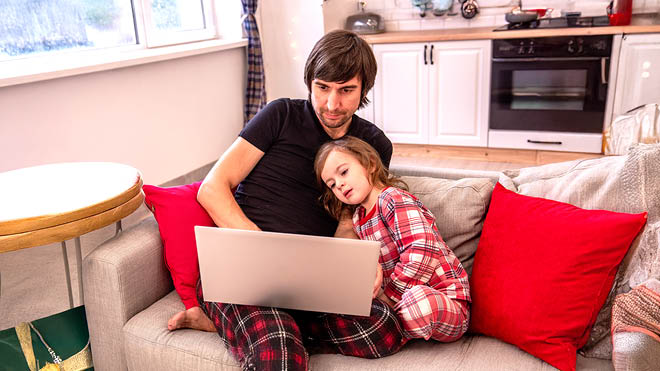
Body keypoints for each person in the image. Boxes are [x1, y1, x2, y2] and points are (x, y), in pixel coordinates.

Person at [167, 30, 404, 370]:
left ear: (364, 89)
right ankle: (264, 329)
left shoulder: (374, 144)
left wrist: (357, 265)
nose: (332, 104)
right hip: (244, 269)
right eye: (322, 88)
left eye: (346, 91)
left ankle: (241, 326)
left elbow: (352, 219)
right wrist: (263, 251)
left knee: (384, 328)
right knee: (279, 354)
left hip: (311, 278)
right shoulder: (280, 116)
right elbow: (213, 187)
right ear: (309, 82)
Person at [315, 136, 471, 343]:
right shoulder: (358, 219)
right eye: (332, 184)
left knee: (418, 304)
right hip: (398, 302)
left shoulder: (392, 199)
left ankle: (382, 331)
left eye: (344, 172)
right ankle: (371, 331)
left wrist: (388, 297)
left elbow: (422, 251)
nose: (340, 185)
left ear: (369, 164)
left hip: (446, 300)